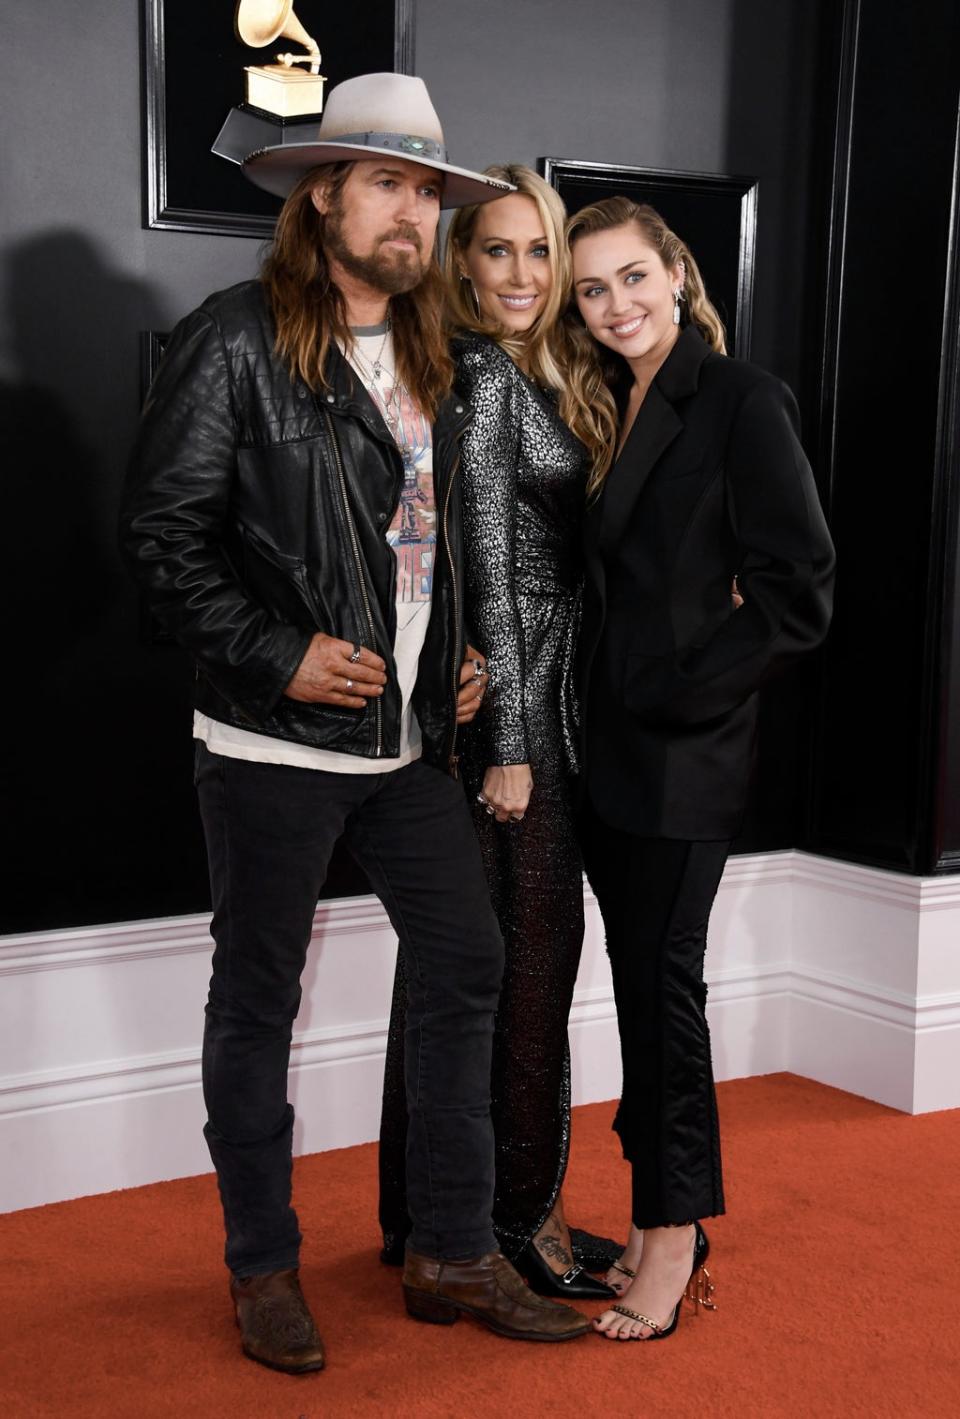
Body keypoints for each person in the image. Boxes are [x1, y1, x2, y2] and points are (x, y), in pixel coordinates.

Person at [119, 74, 591, 1375]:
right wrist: (280, 652)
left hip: (407, 751)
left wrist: (450, 663)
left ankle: (449, 1246)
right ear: (321, 191)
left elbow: (431, 551)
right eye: (387, 181)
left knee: (469, 960)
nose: (414, 212)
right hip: (273, 746)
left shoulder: (443, 354)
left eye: (430, 190)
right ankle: (262, 1266)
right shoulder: (235, 339)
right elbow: (160, 543)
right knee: (259, 1001)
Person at [567, 197, 835, 1341]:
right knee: (636, 985)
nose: (616, 305)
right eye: (592, 289)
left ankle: (675, 1232)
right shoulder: (600, 401)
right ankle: (648, 1212)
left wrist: (676, 691)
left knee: (665, 992)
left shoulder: (740, 398)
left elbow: (798, 591)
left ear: (677, 273)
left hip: (684, 754)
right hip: (600, 751)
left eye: (633, 278)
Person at [378, 165, 620, 1299]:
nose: (522, 275)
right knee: (525, 980)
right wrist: (515, 746)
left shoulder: (529, 373)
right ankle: (515, 1226)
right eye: (498, 252)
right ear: (460, 264)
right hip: (515, 738)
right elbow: (492, 576)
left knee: (468, 979)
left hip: (519, 720)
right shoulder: (479, 377)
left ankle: (434, 1216)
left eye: (540, 251)